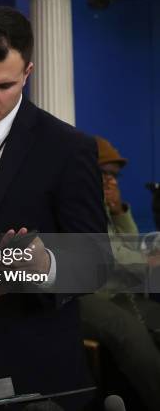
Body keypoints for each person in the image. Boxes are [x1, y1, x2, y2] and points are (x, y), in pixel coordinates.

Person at [0, 6, 107, 408]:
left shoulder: (67, 149)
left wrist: (47, 266)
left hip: (26, 373)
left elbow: (98, 261)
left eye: (5, 85)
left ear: (27, 74)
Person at [79, 136, 160, 411]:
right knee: (129, 332)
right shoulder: (78, 203)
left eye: (114, 176)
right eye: (105, 173)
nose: (111, 181)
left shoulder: (101, 205)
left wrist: (117, 210)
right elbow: (113, 257)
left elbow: (130, 243)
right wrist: (149, 262)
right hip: (80, 296)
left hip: (111, 292)